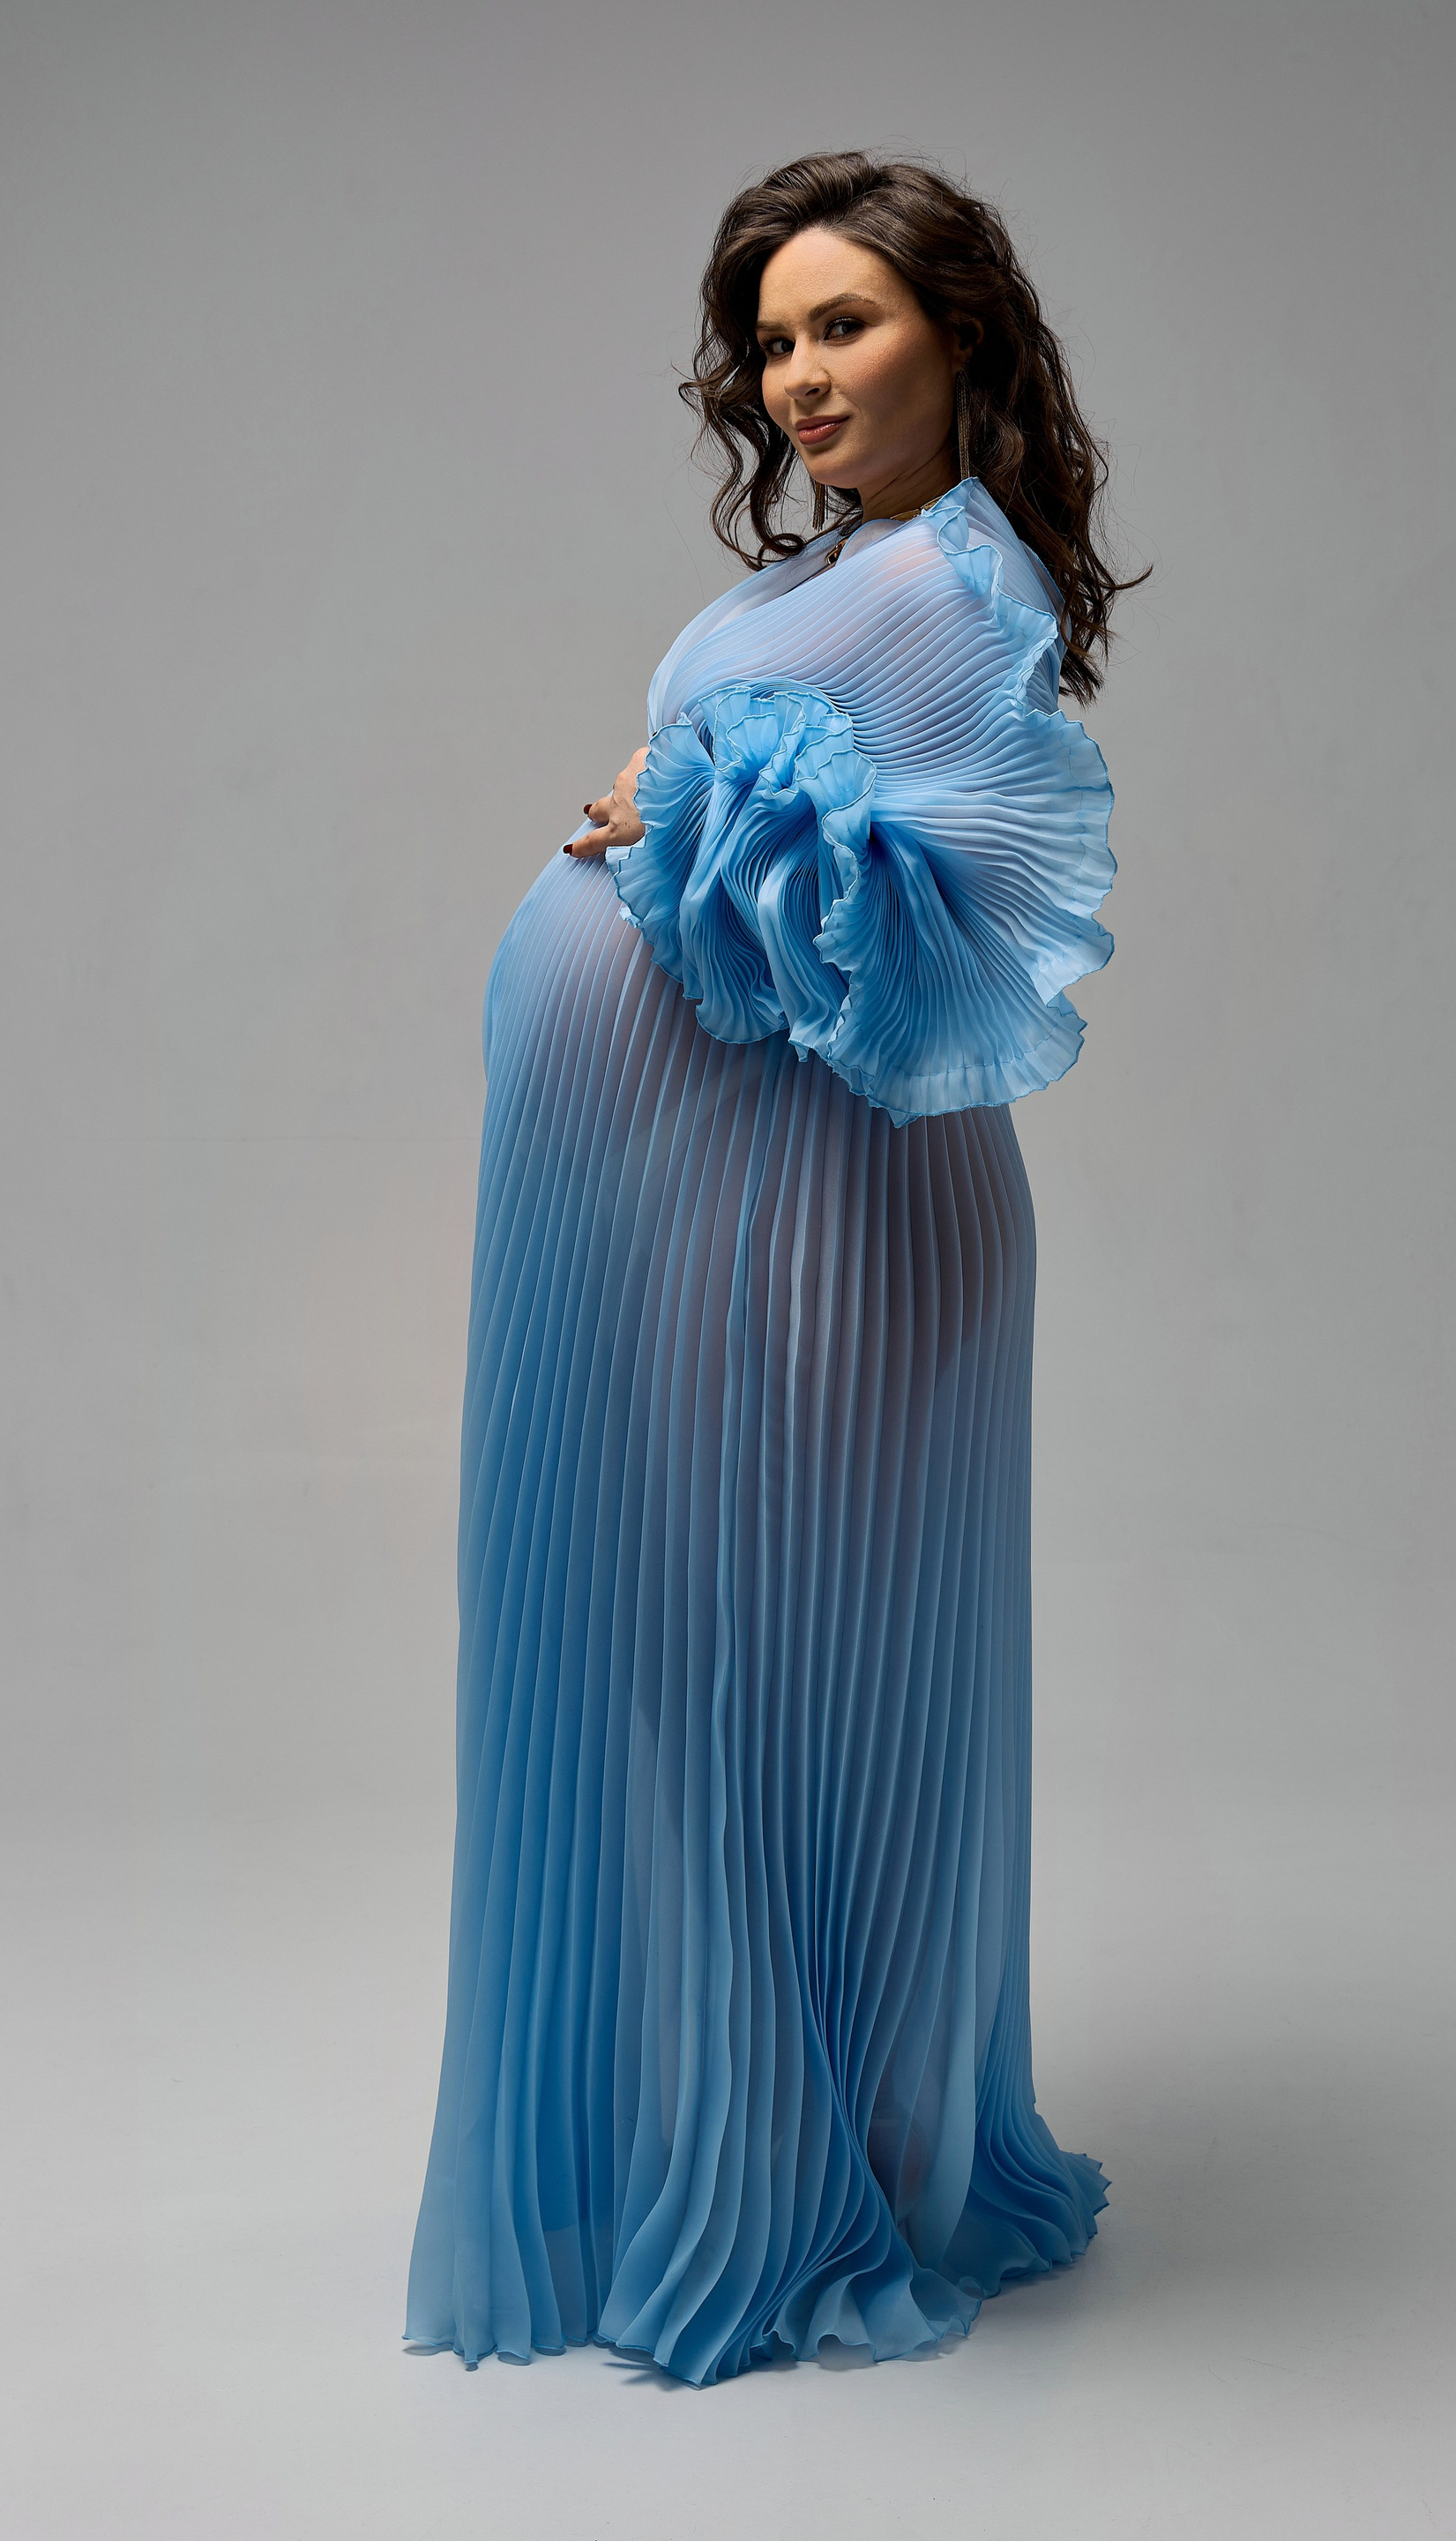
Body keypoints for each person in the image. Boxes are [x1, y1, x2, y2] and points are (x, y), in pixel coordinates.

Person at [405, 149, 1136, 2387]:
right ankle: (690, 2140)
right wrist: (684, 789)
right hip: (669, 1201)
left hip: (813, 1223)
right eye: (773, 337)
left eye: (845, 323)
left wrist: (700, 802)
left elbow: (959, 918)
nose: (796, 373)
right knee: (663, 1651)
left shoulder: (959, 582)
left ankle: (788, 2178)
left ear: (957, 331)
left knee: (758, 1675)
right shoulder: (843, 568)